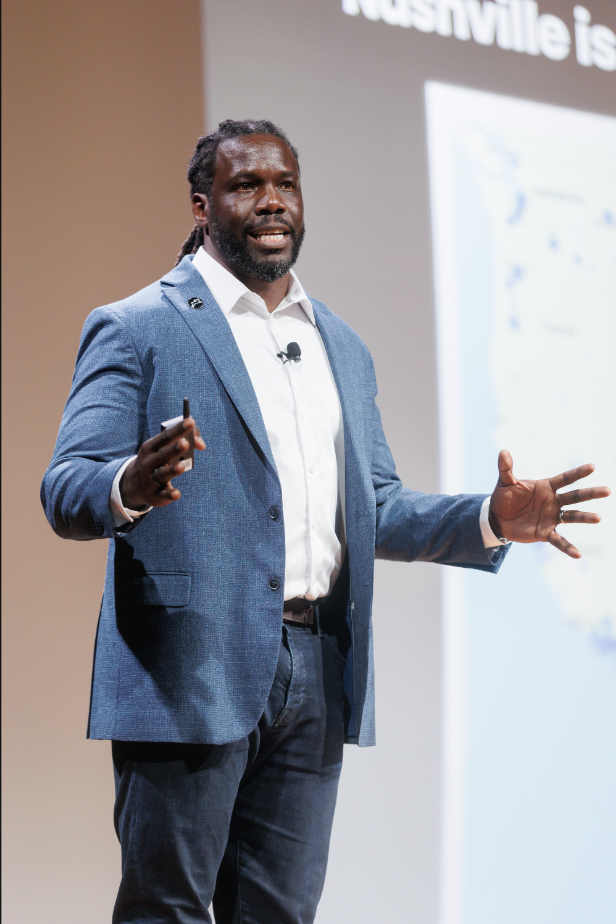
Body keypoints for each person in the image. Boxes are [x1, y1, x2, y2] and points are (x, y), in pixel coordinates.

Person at [41, 119, 610, 924]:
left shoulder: (339, 343)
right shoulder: (138, 325)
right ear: (203, 205)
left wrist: (489, 517)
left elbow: (374, 506)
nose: (271, 202)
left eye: (286, 184)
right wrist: (126, 482)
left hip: (316, 670)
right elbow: (65, 486)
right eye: (247, 186)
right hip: (187, 666)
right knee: (165, 910)